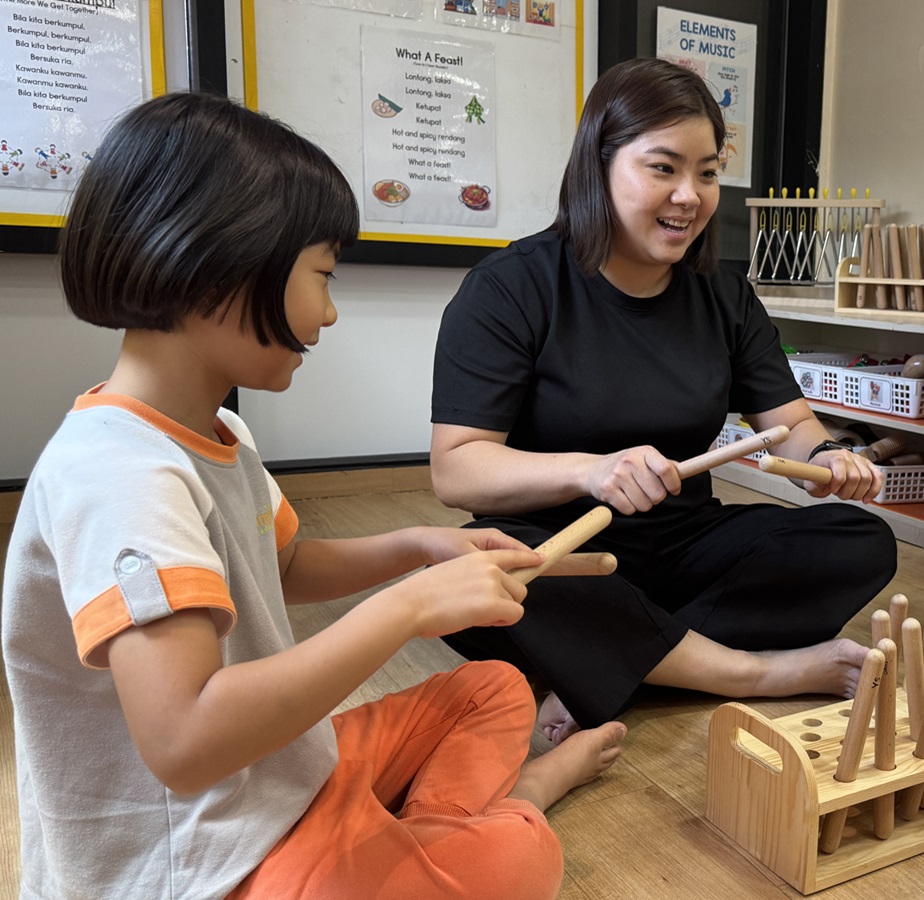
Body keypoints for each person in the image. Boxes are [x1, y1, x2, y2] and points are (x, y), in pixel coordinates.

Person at [1, 92, 625, 900]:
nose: (327, 313)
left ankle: (434, 837)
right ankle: (512, 809)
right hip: (196, 864)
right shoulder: (120, 473)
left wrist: (420, 548)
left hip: (274, 777)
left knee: (495, 689)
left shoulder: (216, 430)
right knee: (517, 864)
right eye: (322, 275)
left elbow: (284, 562)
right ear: (215, 265)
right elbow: (184, 741)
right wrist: (407, 609)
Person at [430, 57, 898, 744]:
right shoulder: (510, 288)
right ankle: (750, 672)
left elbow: (787, 422)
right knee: (471, 570)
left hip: (682, 548)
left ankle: (612, 663)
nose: (690, 195)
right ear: (600, 162)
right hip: (560, 550)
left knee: (858, 542)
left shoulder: (722, 293)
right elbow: (456, 469)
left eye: (707, 172)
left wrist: (828, 454)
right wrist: (589, 471)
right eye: (663, 168)